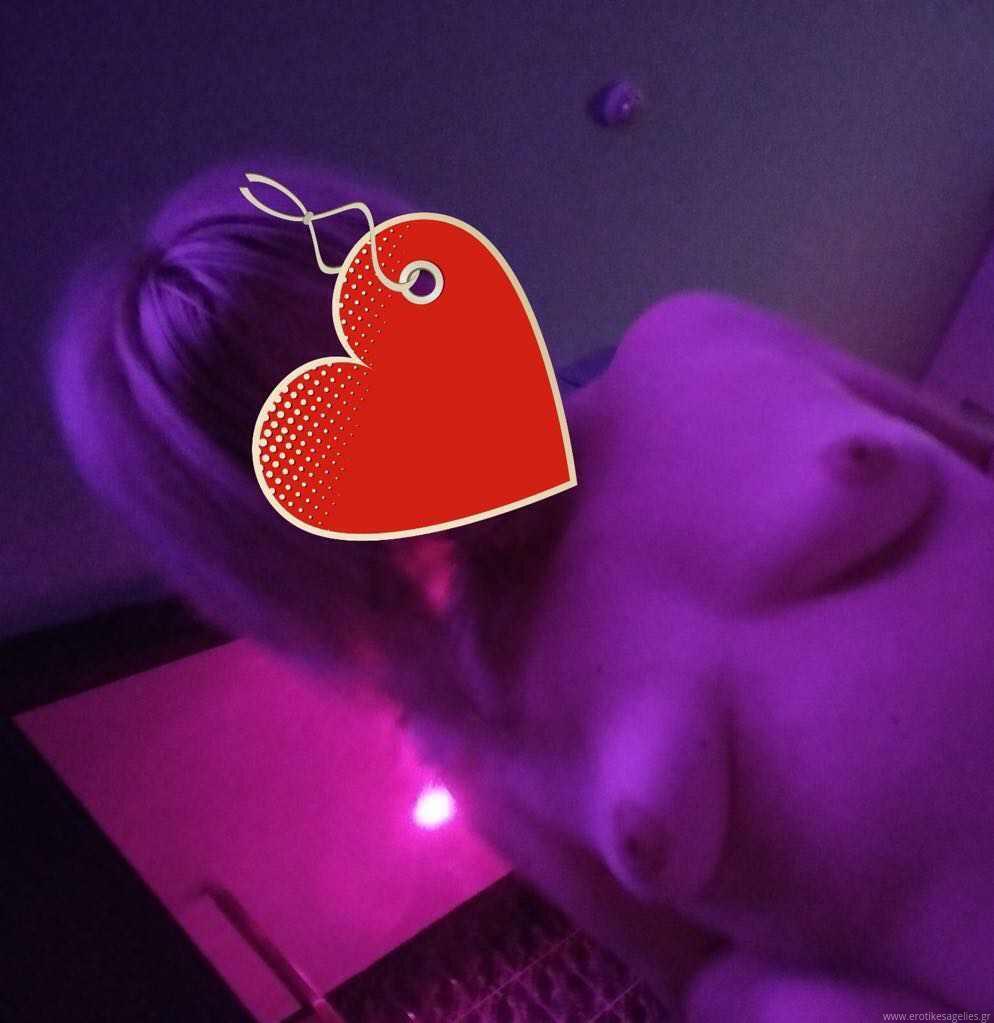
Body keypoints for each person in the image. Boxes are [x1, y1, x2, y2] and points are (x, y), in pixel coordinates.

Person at [51, 158, 994, 1020]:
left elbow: (974, 451)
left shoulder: (693, 337)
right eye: (336, 441)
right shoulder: (478, 735)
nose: (409, 416)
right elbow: (702, 982)